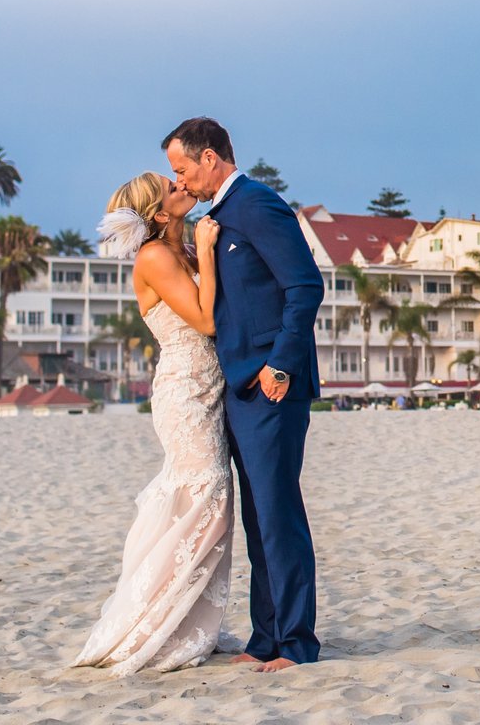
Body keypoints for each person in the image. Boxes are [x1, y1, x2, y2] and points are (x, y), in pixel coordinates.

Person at [164, 117, 324, 672]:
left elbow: (305, 286)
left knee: (279, 516)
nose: (180, 180)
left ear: (209, 158)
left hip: (272, 387)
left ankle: (297, 644)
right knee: (258, 522)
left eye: (182, 168)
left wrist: (280, 364)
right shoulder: (218, 217)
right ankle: (266, 638)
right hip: (239, 390)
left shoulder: (257, 204)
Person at [74, 171, 231, 675]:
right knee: (206, 498)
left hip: (209, 386)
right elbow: (205, 320)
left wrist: (202, 250)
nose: (183, 185)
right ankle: (153, 622)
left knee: (203, 501)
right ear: (160, 213)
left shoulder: (179, 249)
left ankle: (183, 620)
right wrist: (206, 251)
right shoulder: (155, 257)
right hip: (184, 393)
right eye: (172, 187)